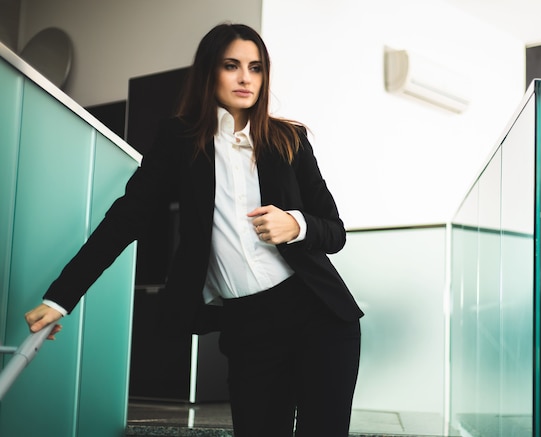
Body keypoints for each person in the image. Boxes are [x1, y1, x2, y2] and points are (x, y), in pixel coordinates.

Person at [25, 22, 363, 437]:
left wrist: (296, 224)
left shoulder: (289, 140)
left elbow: (335, 231)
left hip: (317, 317)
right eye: (231, 65)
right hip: (248, 327)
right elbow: (125, 219)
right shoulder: (179, 141)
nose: (245, 78)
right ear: (209, 71)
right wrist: (61, 298)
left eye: (255, 68)